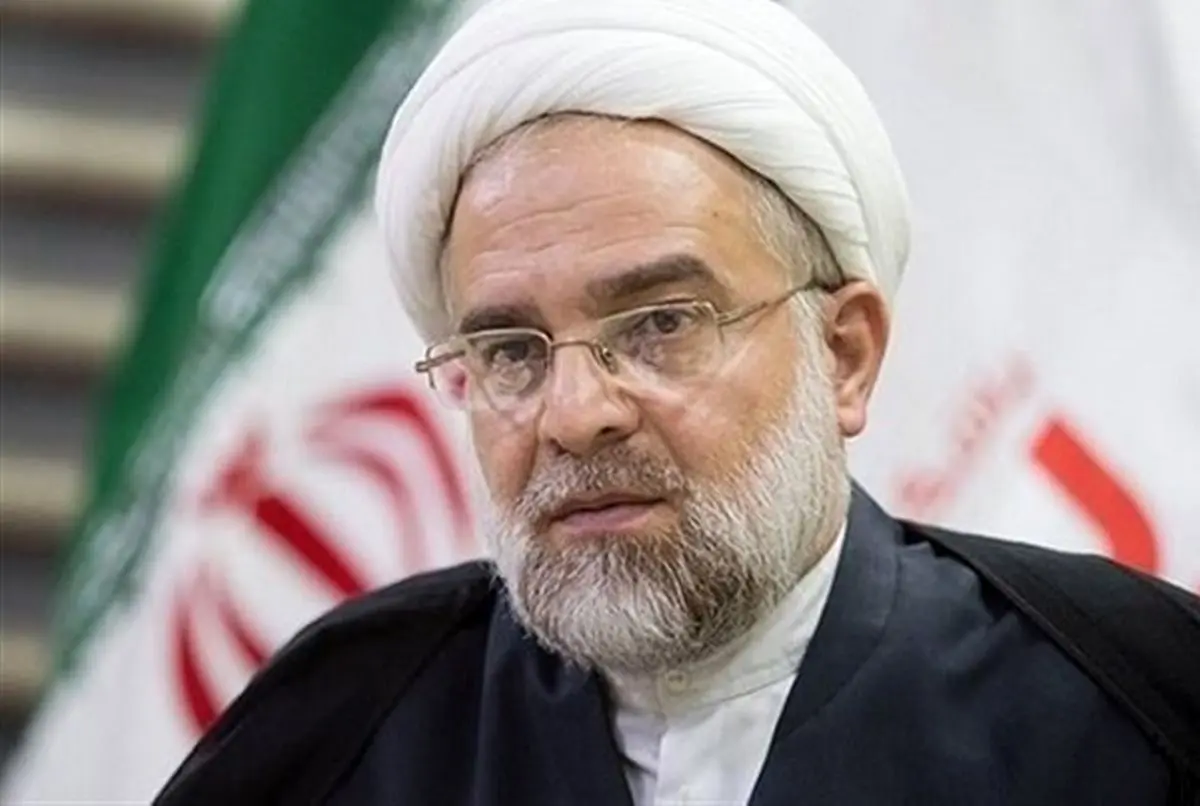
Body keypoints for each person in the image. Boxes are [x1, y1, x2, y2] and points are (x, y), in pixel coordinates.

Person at [154, 0, 1200, 804]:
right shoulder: (343, 736)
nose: (576, 414)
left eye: (659, 323)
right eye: (511, 350)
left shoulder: (1130, 707)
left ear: (844, 355)